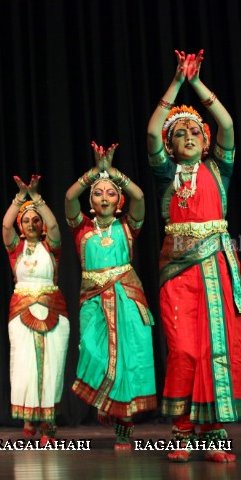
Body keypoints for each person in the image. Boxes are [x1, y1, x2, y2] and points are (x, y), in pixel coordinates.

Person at [146, 50, 241, 462]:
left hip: (217, 268)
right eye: (180, 134)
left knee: (218, 348)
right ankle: (181, 429)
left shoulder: (218, 168)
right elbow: (154, 130)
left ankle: (213, 432)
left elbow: (227, 123)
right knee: (185, 350)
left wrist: (197, 82)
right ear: (172, 148)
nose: (188, 135)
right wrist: (175, 83)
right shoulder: (165, 175)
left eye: (195, 131)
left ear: (205, 140)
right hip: (177, 273)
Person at [65, 142, 156, 449]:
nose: (104, 196)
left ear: (119, 201)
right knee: (95, 353)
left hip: (126, 299)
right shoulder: (82, 229)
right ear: (90, 200)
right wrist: (93, 174)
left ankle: (125, 421)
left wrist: (116, 174)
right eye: (98, 192)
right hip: (93, 301)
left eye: (111, 192)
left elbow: (140, 197)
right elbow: (68, 197)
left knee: (128, 359)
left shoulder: (128, 227)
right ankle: (108, 405)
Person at [2, 175, 69, 444]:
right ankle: (29, 417)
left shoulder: (52, 248)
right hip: (21, 310)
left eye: (36, 220)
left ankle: (49, 421)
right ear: (21, 226)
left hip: (53, 309)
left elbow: (54, 224)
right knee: (24, 364)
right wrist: (20, 199)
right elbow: (5, 224)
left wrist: (37, 199)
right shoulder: (15, 249)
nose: (32, 223)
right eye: (27, 220)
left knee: (53, 364)